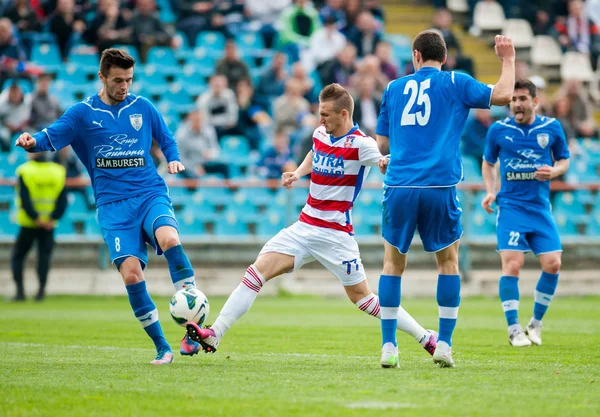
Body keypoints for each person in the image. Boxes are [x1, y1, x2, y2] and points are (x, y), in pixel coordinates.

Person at [186, 83, 438, 357]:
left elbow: (379, 160)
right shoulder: (320, 133)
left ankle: (425, 336)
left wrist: (383, 162)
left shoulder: (361, 144)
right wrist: (298, 172)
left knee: (364, 300)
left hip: (335, 235)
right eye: (319, 113)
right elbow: (314, 152)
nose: (320, 120)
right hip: (304, 227)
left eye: (326, 114)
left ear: (344, 114)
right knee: (256, 273)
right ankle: (215, 334)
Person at [15, 48, 201, 365]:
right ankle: (162, 347)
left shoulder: (143, 106)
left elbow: (165, 137)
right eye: (118, 80)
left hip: (148, 193)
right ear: (102, 77)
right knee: (131, 276)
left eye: (129, 79)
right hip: (113, 206)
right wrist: (32, 142)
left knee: (170, 238)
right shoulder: (82, 114)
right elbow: (51, 134)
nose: (124, 86)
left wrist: (173, 159)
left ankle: (194, 323)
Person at [375, 32, 515, 368]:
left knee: (393, 265)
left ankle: (389, 347)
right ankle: (445, 345)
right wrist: (508, 59)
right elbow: (503, 95)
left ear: (416, 55)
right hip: (439, 186)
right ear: (445, 55)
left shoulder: (394, 88)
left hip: (400, 186)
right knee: (448, 264)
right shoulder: (456, 81)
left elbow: (382, 146)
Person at [481, 79, 570, 347]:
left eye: (522, 99)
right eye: (514, 99)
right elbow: (487, 163)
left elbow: (564, 159)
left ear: (535, 101)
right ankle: (514, 329)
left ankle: (536, 323)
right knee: (513, 264)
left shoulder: (551, 128)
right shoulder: (498, 130)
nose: (517, 104)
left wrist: (554, 171)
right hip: (510, 207)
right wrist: (490, 190)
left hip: (540, 208)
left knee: (553, 264)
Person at [11, 152, 67, 302]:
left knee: (18, 256)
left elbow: (24, 198)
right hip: (49, 225)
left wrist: (36, 218)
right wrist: (52, 218)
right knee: (44, 257)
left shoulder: (24, 170)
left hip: (29, 223)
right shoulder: (58, 171)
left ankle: (20, 293)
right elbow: (63, 201)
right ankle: (41, 292)